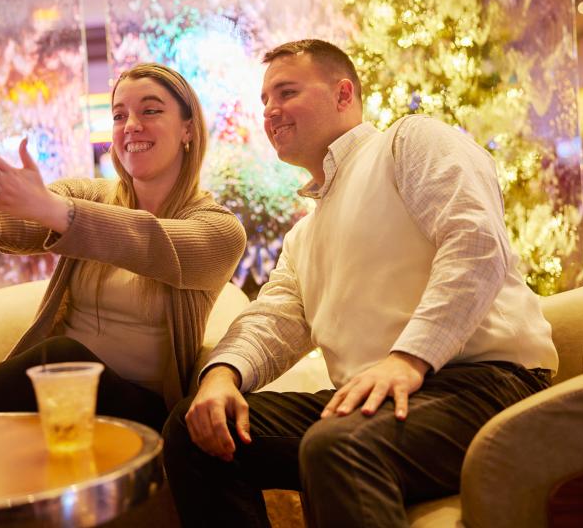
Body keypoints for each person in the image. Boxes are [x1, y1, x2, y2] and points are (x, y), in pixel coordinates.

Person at [162, 39, 558, 527]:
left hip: (484, 385)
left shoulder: (409, 142)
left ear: (343, 93)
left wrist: (409, 358)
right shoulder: (305, 233)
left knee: (339, 445)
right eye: (264, 101)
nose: (270, 111)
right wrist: (222, 376)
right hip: (375, 400)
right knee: (193, 429)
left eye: (285, 92)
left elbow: (475, 243)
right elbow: (272, 321)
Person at [0, 63, 246, 431]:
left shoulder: (219, 229)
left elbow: (148, 242)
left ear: (189, 128)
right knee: (61, 365)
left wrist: (53, 209)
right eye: (119, 115)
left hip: (144, 412)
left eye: (150, 110)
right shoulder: (90, 196)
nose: (131, 125)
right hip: (62, 394)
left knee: (64, 358)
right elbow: (24, 224)